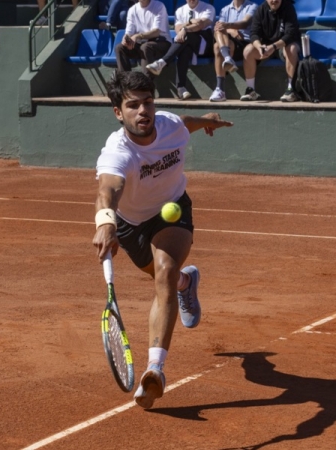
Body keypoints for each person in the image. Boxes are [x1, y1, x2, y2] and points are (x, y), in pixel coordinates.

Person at [92, 71, 233, 409]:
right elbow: (108, 189)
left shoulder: (169, 125)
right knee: (163, 278)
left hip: (173, 210)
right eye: (133, 105)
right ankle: (187, 283)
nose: (143, 111)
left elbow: (185, 122)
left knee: (165, 271)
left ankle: (155, 369)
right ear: (118, 112)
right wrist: (106, 223)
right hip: (131, 225)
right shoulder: (117, 152)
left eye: (148, 102)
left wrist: (208, 120)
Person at [145, 0, 216, 99]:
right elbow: (178, 29)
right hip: (187, 43)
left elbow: (200, 25)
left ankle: (162, 62)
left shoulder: (208, 8)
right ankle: (181, 88)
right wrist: (189, 22)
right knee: (184, 49)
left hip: (204, 45)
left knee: (186, 36)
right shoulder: (180, 10)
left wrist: (185, 29)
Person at [239, 0, 300, 102]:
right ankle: (250, 90)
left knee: (292, 48)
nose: (274, 1)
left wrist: (273, 47)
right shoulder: (261, 9)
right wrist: (259, 46)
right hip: (267, 47)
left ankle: (291, 89)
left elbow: (290, 35)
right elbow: (254, 34)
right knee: (248, 50)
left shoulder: (289, 8)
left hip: (283, 45)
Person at [209, 0, 257, 102]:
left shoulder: (252, 6)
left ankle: (227, 58)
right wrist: (231, 30)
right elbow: (220, 27)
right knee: (217, 45)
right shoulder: (225, 9)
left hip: (244, 42)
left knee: (218, 44)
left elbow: (245, 23)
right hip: (229, 43)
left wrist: (228, 26)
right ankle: (220, 90)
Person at [115, 0, 172, 78]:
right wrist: (126, 38)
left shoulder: (159, 6)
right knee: (120, 48)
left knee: (145, 47)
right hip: (142, 43)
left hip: (161, 42)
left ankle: (146, 83)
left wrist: (138, 36)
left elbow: (156, 31)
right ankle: (126, 81)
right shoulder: (132, 9)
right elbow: (129, 31)